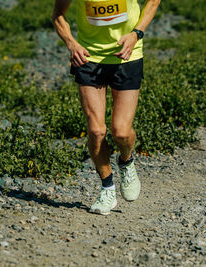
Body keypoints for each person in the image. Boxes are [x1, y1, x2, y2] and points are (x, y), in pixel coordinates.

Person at [52, 0, 160, 215]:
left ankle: (126, 160)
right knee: (96, 130)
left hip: (127, 56)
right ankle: (107, 188)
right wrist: (72, 44)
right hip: (89, 57)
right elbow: (58, 14)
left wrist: (136, 33)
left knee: (121, 132)